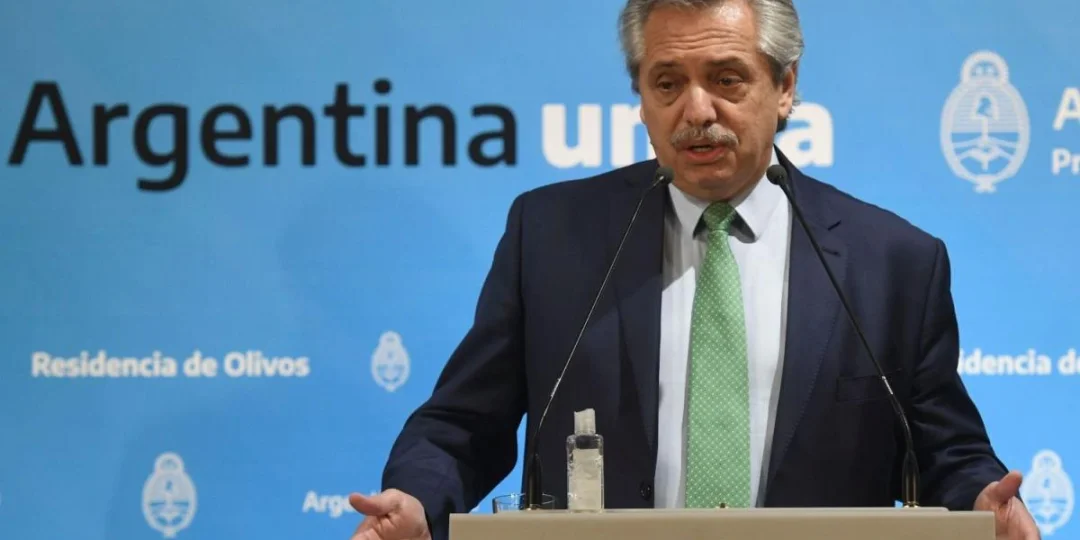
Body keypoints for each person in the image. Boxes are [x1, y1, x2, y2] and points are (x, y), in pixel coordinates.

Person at [348, 1, 1040, 539]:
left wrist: (983, 504)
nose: (697, 110)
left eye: (727, 79)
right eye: (668, 83)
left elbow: (946, 451)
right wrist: (416, 499)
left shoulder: (892, 262)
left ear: (785, 86)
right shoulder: (552, 235)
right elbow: (465, 423)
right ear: (641, 97)